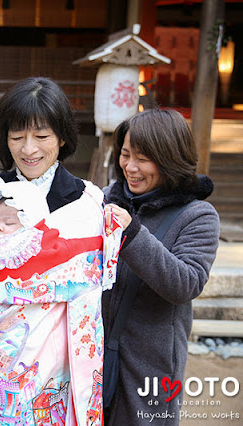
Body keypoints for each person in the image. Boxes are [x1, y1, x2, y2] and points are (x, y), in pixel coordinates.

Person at [0, 77, 116, 425]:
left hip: (56, 355)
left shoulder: (84, 200)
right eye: (17, 136)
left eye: (42, 136)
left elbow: (90, 277)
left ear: (62, 137)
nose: (29, 148)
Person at [102, 109, 220, 425]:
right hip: (90, 359)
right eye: (125, 155)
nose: (130, 167)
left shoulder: (198, 216)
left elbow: (186, 284)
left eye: (143, 159)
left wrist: (132, 234)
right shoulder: (105, 201)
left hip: (150, 369)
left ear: (169, 160)